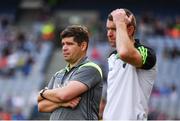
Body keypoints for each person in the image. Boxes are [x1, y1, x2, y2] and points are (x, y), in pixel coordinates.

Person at [37, 25, 103, 120]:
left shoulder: (90, 69)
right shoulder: (58, 74)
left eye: (69, 44)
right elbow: (41, 106)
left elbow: (64, 95)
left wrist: (42, 93)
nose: (64, 48)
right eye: (63, 44)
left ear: (83, 46)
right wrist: (61, 103)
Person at [102, 8, 157, 120]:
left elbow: (125, 53)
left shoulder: (146, 52)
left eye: (114, 29)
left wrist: (121, 23)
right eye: (108, 29)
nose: (109, 34)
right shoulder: (112, 57)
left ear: (130, 30)